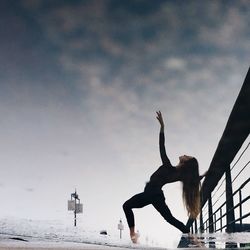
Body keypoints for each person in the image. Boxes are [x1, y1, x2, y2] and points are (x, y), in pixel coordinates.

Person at [123, 111, 206, 243]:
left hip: (152, 193)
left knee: (126, 206)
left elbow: (162, 147)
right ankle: (193, 239)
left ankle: (133, 235)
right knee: (169, 219)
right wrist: (204, 175)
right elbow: (194, 179)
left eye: (186, 156)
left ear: (185, 163)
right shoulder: (178, 174)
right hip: (154, 195)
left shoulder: (168, 167)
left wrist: (162, 127)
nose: (184, 154)